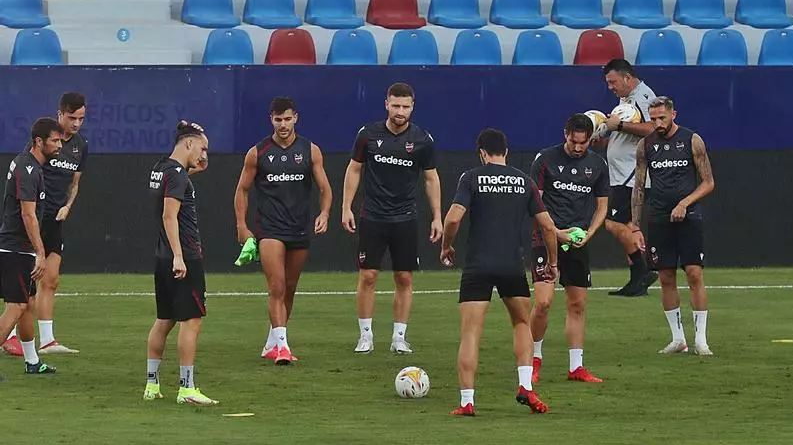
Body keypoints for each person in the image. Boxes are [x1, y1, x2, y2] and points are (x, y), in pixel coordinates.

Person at [441, 128, 557, 416]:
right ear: (506, 151)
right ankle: (525, 385)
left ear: (482, 152)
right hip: (511, 265)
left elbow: (453, 219)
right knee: (521, 323)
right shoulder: (524, 181)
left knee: (471, 332)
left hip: (478, 265)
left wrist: (447, 246)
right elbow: (547, 225)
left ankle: (467, 401)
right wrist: (552, 262)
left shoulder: (471, 178)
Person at [341, 83, 442, 354]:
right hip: (373, 215)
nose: (400, 111)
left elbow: (431, 178)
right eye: (395, 105)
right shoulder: (367, 134)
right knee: (368, 276)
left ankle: (399, 338)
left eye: (405, 106)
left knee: (404, 277)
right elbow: (354, 170)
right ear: (386, 104)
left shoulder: (422, 139)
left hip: (405, 217)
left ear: (413, 107)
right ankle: (365, 336)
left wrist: (437, 216)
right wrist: (346, 207)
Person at [234, 97, 332, 365]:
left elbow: (325, 188)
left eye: (287, 119)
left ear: (295, 118)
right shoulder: (258, 152)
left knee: (289, 288)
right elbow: (242, 190)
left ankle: (271, 343)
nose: (283, 125)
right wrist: (242, 226)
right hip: (270, 230)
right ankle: (283, 348)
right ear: (271, 120)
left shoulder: (310, 150)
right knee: (276, 286)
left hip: (299, 228)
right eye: (278, 120)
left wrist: (324, 213)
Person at [631, 96, 715, 355]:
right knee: (666, 277)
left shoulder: (692, 140)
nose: (657, 123)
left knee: (694, 273)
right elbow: (639, 186)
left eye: (662, 118)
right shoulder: (645, 145)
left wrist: (684, 203)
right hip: (658, 218)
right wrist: (635, 226)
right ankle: (678, 339)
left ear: (673, 115)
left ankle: (701, 339)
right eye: (653, 119)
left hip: (689, 217)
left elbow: (708, 182)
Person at [528, 114, 609, 384]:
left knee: (577, 303)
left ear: (590, 139)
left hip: (577, 241)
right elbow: (534, 204)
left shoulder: (597, 165)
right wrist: (555, 232)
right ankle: (534, 360)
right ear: (566, 134)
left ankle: (576, 367)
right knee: (543, 303)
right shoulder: (545, 159)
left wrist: (589, 234)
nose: (577, 147)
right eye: (574, 141)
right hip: (546, 237)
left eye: (583, 143)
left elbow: (602, 206)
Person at [143, 121, 217, 405]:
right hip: (183, 256)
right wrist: (179, 256)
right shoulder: (176, 175)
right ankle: (187, 388)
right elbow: (169, 215)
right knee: (192, 320)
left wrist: (196, 165)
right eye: (202, 148)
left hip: (162, 255)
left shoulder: (161, 168)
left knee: (164, 320)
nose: (204, 154)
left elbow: (181, 178)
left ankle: (152, 385)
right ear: (188, 144)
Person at [0, 117, 63, 376]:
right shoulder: (28, 169)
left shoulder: (30, 165)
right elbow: (28, 215)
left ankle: (32, 361)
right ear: (39, 141)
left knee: (27, 303)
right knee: (16, 306)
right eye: (55, 141)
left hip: (17, 247)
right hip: (16, 248)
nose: (59, 145)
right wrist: (40, 252)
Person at [601, 59, 659, 297]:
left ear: (627, 78)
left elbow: (653, 128)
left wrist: (619, 125)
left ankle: (644, 269)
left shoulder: (643, 96)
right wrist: (605, 138)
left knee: (612, 224)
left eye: (612, 82)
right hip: (621, 175)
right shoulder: (626, 100)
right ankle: (637, 281)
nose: (610, 87)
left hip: (631, 175)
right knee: (626, 227)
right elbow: (626, 134)